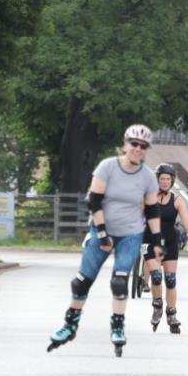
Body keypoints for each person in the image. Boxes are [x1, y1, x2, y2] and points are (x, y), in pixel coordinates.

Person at [47, 124, 162, 356]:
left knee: (119, 282)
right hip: (102, 227)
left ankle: (118, 326)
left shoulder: (149, 177)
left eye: (143, 146)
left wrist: (157, 242)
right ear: (125, 144)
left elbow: (152, 211)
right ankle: (70, 325)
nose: (138, 149)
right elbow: (94, 201)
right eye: (134, 144)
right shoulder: (107, 167)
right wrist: (101, 233)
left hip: (130, 233)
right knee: (81, 282)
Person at [144, 163, 188, 334]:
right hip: (150, 241)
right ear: (157, 180)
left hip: (169, 243)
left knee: (170, 280)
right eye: (162, 179)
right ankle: (157, 306)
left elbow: (187, 222)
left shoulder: (177, 200)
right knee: (156, 277)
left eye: (168, 179)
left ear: (172, 181)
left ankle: (172, 314)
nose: (165, 182)